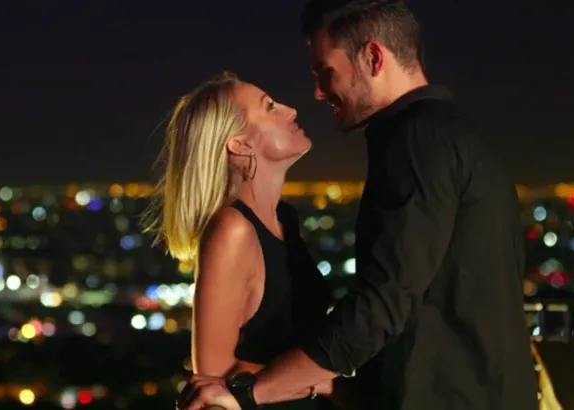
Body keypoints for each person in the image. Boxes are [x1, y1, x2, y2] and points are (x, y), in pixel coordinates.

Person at [176, 0, 540, 409]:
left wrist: (252, 392)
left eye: (326, 72)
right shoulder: (443, 134)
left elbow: (382, 303)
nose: (315, 93)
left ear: (373, 58)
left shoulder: (417, 140)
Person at [144, 72, 343, 410]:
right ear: (239, 144)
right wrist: (323, 381)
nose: (291, 110)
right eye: (270, 107)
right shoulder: (232, 230)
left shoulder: (285, 219)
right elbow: (213, 375)